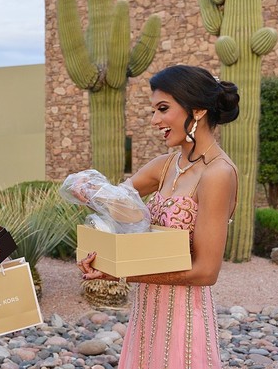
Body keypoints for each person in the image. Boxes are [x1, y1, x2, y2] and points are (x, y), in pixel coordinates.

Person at [77, 65, 240, 369]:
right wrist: (85, 188)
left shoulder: (218, 173)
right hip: (146, 312)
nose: (154, 120)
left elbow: (206, 272)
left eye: (163, 109)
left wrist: (122, 273)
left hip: (183, 319)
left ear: (199, 110)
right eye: (154, 110)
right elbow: (116, 203)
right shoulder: (166, 165)